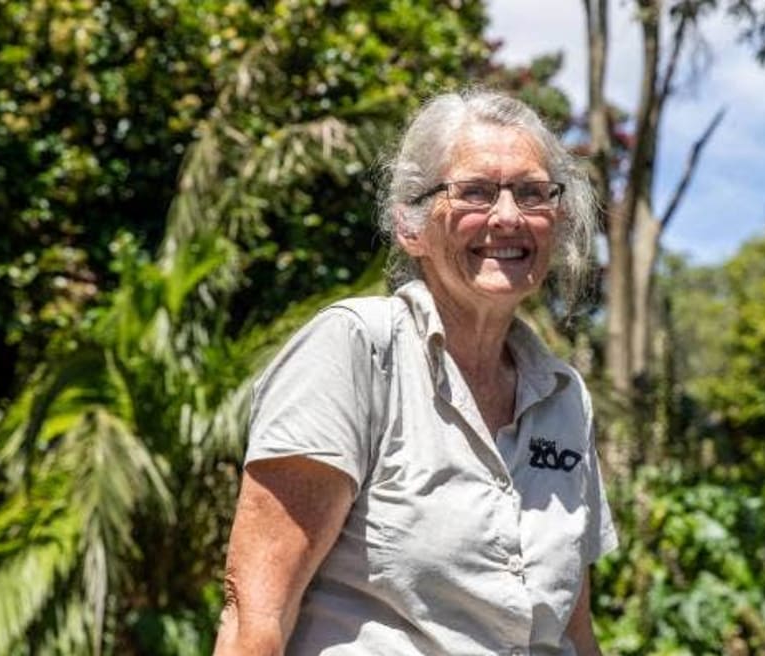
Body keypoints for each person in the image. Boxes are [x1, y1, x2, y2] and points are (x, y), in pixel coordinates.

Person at [214, 89, 618, 656]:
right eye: (475, 191)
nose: (508, 216)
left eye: (533, 194)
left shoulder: (565, 398)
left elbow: (572, 632)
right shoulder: (358, 348)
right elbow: (255, 616)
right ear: (411, 224)